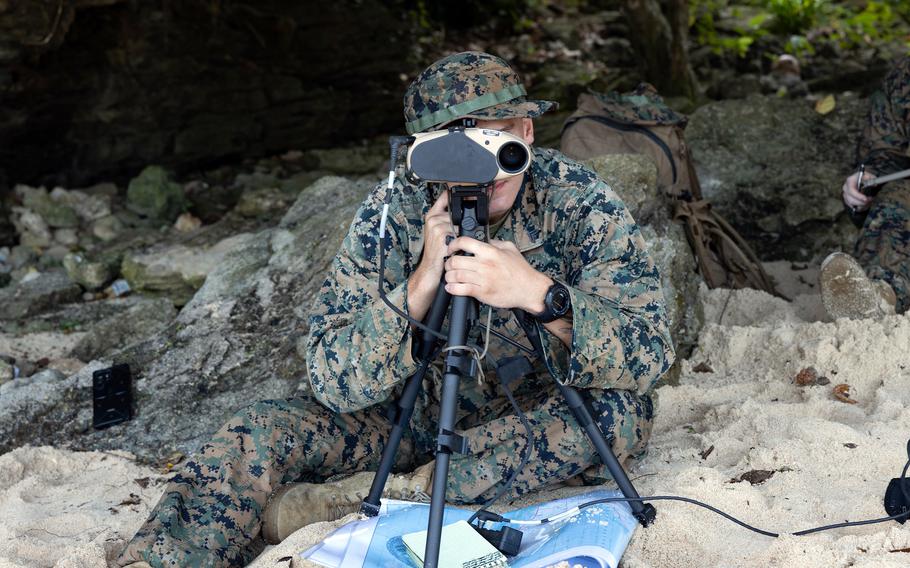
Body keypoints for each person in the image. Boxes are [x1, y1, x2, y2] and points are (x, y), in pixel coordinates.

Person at [117, 51, 675, 568]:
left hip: (532, 409)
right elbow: (331, 378)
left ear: (527, 134)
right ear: (422, 155)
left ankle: (364, 500)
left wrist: (540, 295)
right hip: (413, 409)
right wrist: (422, 280)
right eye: (455, 150)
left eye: (498, 143)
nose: (483, 172)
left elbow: (650, 353)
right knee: (259, 431)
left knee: (622, 417)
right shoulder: (394, 210)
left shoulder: (578, 201)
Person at [820, 57, 910, 320]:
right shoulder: (904, 76)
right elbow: (885, 151)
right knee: (896, 199)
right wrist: (867, 182)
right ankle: (878, 299)